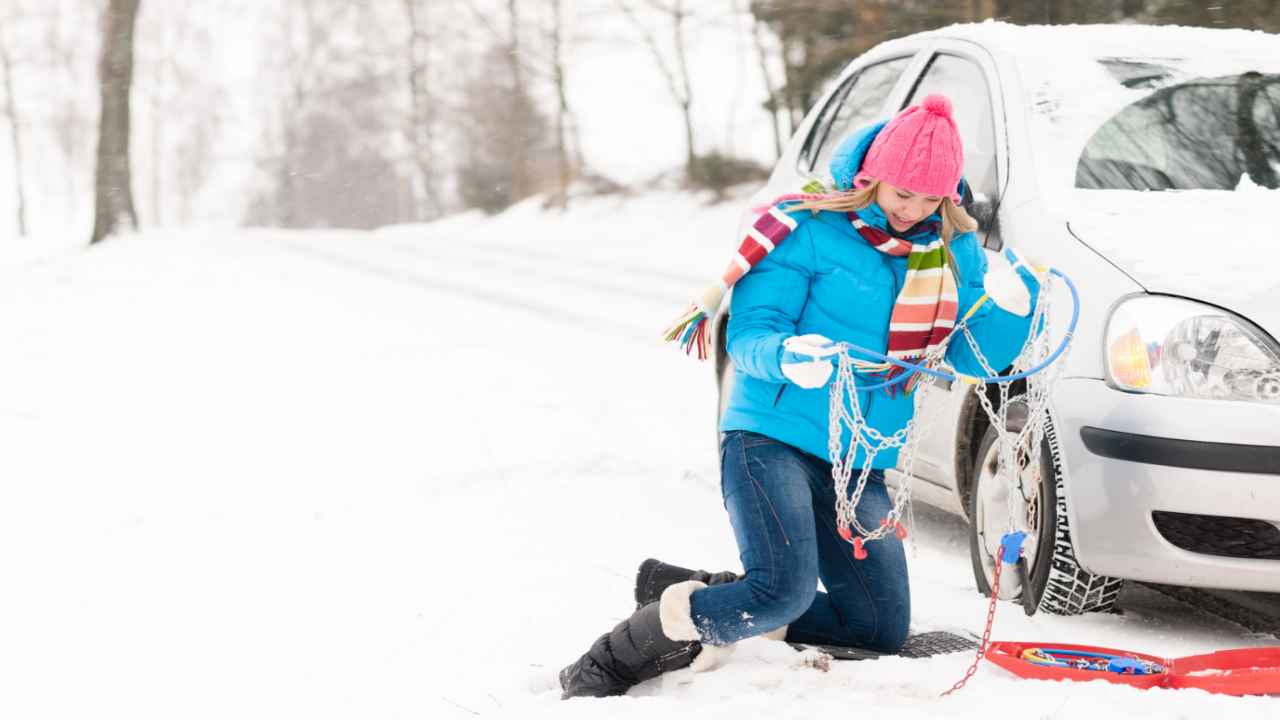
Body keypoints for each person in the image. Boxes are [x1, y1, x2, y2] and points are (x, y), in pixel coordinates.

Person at [558, 94, 1041, 700]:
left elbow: (974, 357)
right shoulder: (803, 228)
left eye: (929, 199)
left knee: (878, 628)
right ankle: (619, 654)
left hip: (858, 459)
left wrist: (1011, 313)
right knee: (782, 591)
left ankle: (705, 591)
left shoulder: (949, 245)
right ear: (869, 180)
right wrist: (790, 356)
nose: (912, 211)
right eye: (900, 194)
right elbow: (752, 332)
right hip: (771, 435)